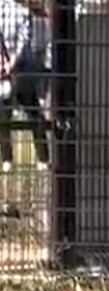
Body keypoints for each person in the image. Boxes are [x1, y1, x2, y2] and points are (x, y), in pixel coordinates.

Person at [0, 0, 49, 173]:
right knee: (3, 116)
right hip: (3, 71)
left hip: (22, 70)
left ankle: (43, 158)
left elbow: (24, 40)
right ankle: (6, 158)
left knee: (34, 113)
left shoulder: (20, 12)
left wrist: (12, 63)